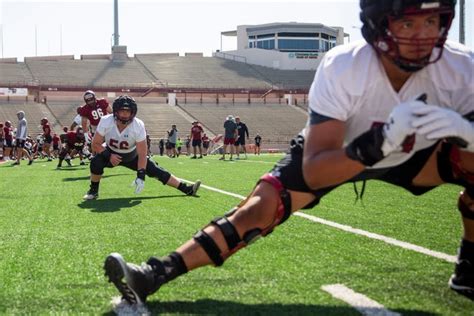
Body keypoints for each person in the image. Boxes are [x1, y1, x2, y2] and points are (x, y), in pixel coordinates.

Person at [103, 0, 474, 305]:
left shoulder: (462, 68)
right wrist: (379, 142)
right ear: (379, 25)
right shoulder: (345, 66)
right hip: (338, 152)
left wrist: (466, 134)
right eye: (408, 25)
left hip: (420, 154)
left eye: (432, 20)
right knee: (260, 208)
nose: (423, 35)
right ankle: (154, 274)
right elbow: (315, 171)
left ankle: (469, 265)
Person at [83, 96, 201, 200]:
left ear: (133, 112)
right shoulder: (106, 120)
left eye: (128, 111)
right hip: (110, 151)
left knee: (156, 170)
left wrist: (141, 175)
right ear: (115, 112)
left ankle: (186, 189)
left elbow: (142, 153)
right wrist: (109, 156)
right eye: (122, 111)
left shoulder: (138, 125)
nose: (124, 114)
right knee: (96, 161)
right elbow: (96, 144)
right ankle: (93, 191)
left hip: (131, 155)